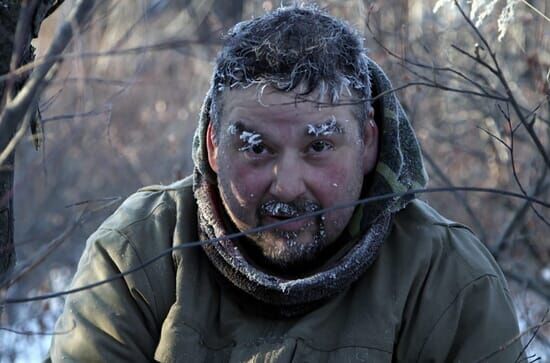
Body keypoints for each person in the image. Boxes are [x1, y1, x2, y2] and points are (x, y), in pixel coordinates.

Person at [48, 4, 524, 362]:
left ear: (368, 144)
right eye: (257, 147)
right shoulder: (136, 254)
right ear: (214, 145)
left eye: (318, 147)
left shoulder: (445, 276)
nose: (288, 186)